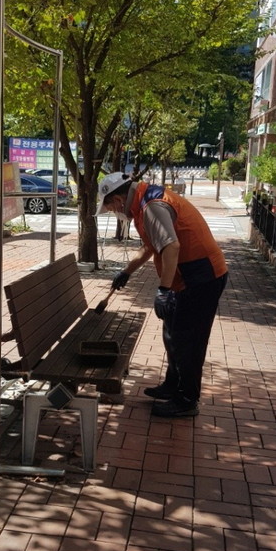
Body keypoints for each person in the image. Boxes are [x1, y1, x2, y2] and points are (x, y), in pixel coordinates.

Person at [97, 172, 227, 418]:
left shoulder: (152, 205)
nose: (114, 212)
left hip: (201, 277)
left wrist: (164, 290)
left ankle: (187, 400)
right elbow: (151, 245)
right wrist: (126, 272)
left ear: (118, 199)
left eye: (111, 208)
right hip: (186, 277)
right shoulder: (144, 201)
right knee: (172, 334)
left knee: (188, 340)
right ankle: (173, 385)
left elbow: (171, 246)